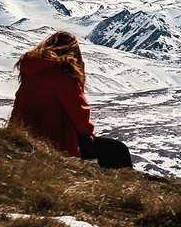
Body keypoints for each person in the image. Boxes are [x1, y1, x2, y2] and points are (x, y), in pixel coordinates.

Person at [9, 30, 133, 169]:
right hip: (54, 141)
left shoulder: (31, 71)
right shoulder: (62, 73)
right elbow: (81, 117)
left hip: (25, 140)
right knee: (117, 150)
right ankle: (124, 187)